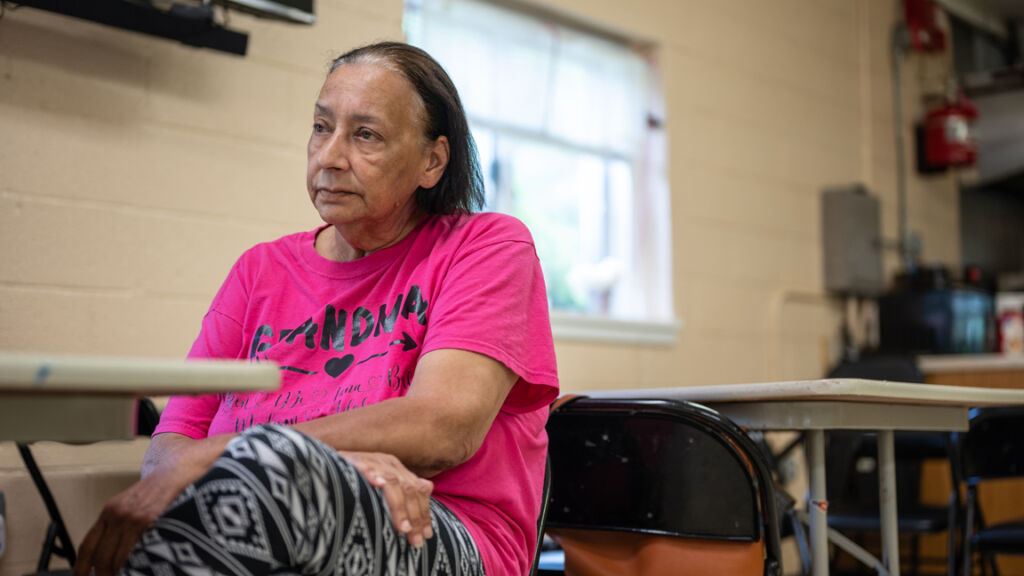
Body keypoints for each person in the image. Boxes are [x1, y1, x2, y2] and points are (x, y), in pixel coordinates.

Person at [73, 41, 559, 576]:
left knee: (283, 477)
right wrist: (328, 464)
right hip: (270, 516)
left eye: (365, 135)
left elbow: (443, 428)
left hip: (441, 530)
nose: (329, 157)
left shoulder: (486, 247)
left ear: (432, 161)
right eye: (322, 127)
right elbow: (169, 453)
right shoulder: (260, 270)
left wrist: (294, 461)